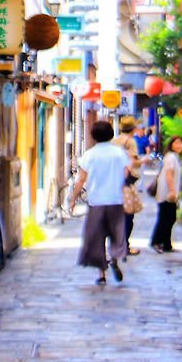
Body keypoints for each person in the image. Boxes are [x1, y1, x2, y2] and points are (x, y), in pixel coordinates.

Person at [70, 120, 129, 285]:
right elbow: (126, 173)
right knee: (117, 233)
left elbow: (81, 180)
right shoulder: (119, 153)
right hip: (115, 199)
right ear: (111, 134)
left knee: (96, 236)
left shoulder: (90, 154)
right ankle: (116, 257)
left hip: (96, 201)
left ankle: (102, 273)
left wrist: (73, 200)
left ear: (93, 135)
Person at [115, 115, 154, 256]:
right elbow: (133, 161)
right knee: (128, 214)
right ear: (132, 129)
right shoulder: (130, 142)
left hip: (115, 181)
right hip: (127, 181)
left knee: (118, 215)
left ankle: (118, 243)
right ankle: (125, 245)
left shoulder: (114, 140)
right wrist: (144, 161)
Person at [149, 135, 182, 254]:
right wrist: (172, 191)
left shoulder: (174, 157)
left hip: (168, 192)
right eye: (176, 143)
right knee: (166, 218)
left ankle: (167, 244)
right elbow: (168, 175)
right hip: (167, 193)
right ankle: (156, 241)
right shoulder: (171, 157)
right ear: (171, 145)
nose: (179, 146)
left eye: (181, 143)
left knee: (169, 217)